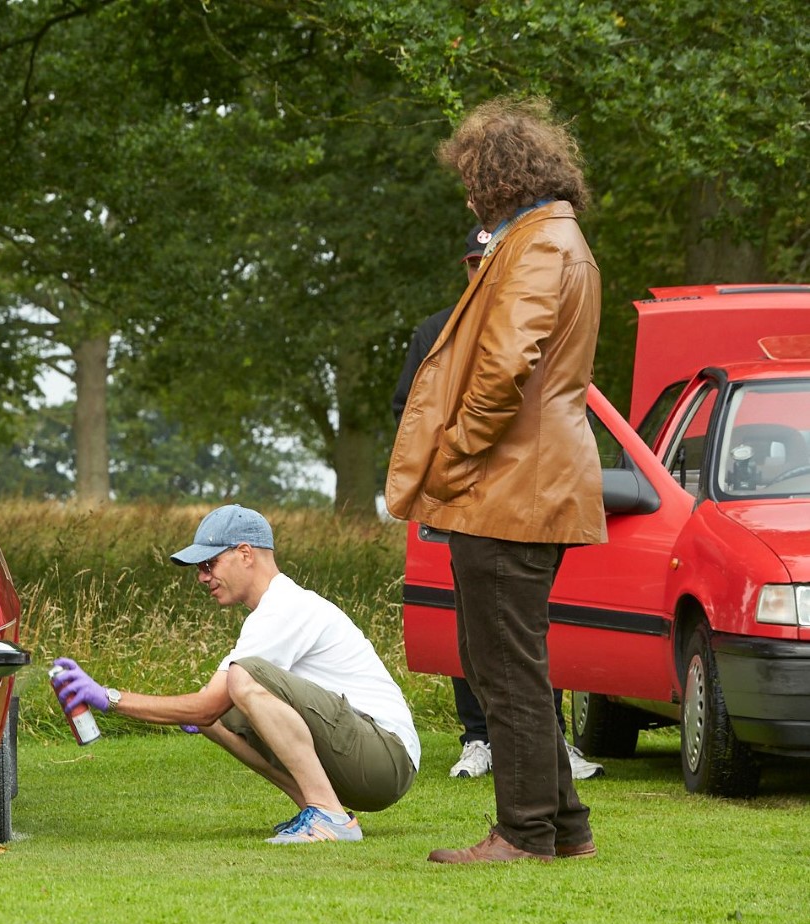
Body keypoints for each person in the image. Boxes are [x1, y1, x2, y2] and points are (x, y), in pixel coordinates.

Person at [386, 96, 605, 863]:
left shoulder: (540, 246)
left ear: (504, 176)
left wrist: (454, 456)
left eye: (475, 180)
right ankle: (565, 827)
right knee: (501, 660)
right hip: (522, 483)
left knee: (504, 667)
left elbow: (505, 367)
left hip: (513, 487)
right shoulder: (550, 240)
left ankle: (524, 833)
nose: (470, 196)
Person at [50, 504, 419, 845]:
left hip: (387, 758)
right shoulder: (270, 613)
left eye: (208, 564)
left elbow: (204, 705)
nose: (201, 577)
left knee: (239, 681)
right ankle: (318, 808)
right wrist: (194, 711)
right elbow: (208, 711)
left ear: (244, 554)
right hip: (365, 762)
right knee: (222, 712)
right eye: (199, 569)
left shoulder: (286, 607)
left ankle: (330, 817)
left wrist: (108, 697)